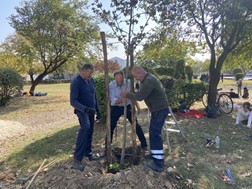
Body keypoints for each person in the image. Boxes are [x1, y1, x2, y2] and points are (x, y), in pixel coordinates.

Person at [121, 66, 169, 172]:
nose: (136, 79)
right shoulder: (149, 78)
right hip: (158, 109)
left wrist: (127, 94)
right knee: (153, 133)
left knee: (154, 134)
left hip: (160, 110)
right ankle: (155, 154)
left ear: (140, 73)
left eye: (135, 76)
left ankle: (158, 163)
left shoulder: (149, 81)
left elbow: (139, 97)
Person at [70, 63, 100, 171]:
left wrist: (97, 109)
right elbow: (73, 101)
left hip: (91, 110)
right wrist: (85, 109)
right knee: (85, 127)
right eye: (90, 73)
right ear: (84, 70)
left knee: (90, 130)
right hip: (82, 111)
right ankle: (77, 158)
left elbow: (94, 95)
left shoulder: (91, 80)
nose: (91, 75)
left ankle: (88, 153)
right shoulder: (76, 82)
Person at [108, 70, 147, 151]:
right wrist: (122, 99)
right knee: (110, 126)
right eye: (117, 80)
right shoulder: (111, 85)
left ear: (123, 77)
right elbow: (112, 100)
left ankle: (144, 145)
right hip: (116, 107)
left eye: (121, 79)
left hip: (128, 106)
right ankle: (107, 147)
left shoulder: (129, 82)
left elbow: (133, 94)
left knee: (135, 125)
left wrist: (135, 104)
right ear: (114, 78)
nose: (119, 82)